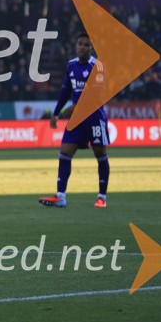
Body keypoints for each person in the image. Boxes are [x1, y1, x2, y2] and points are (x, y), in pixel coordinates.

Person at [38, 33, 110, 208]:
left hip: (94, 117)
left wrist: (76, 106)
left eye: (86, 45)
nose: (83, 47)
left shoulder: (97, 67)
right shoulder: (71, 66)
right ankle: (60, 196)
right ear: (76, 45)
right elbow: (65, 91)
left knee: (100, 154)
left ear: (91, 48)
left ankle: (101, 197)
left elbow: (97, 95)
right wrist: (55, 113)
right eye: (80, 44)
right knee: (64, 152)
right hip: (77, 118)